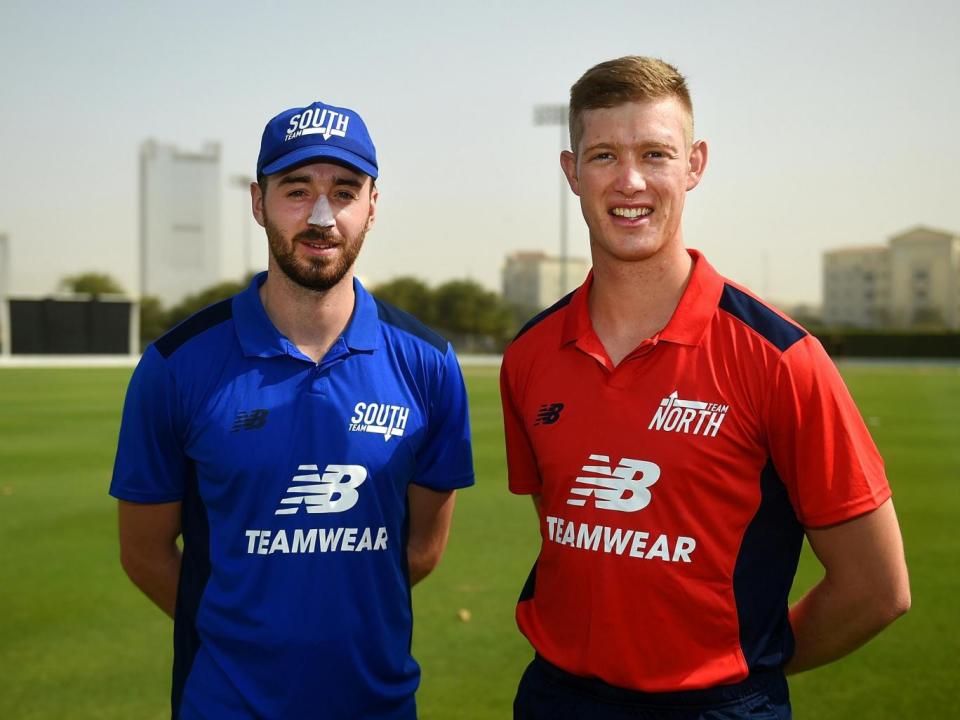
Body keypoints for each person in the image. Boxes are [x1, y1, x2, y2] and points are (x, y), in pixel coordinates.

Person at [500, 56, 910, 720]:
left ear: (694, 165)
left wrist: (744, 668)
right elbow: (568, 530)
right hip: (556, 699)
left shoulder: (782, 357)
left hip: (718, 705)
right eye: (603, 154)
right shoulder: (530, 354)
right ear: (571, 172)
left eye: (655, 154)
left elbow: (877, 588)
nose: (630, 181)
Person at [111, 99, 475, 720]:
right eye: (297, 190)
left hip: (376, 704)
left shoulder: (429, 363)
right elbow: (144, 553)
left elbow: (420, 550)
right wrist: (249, 631)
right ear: (258, 202)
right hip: (224, 705)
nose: (322, 215)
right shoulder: (176, 366)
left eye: (344, 190)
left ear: (372, 205)